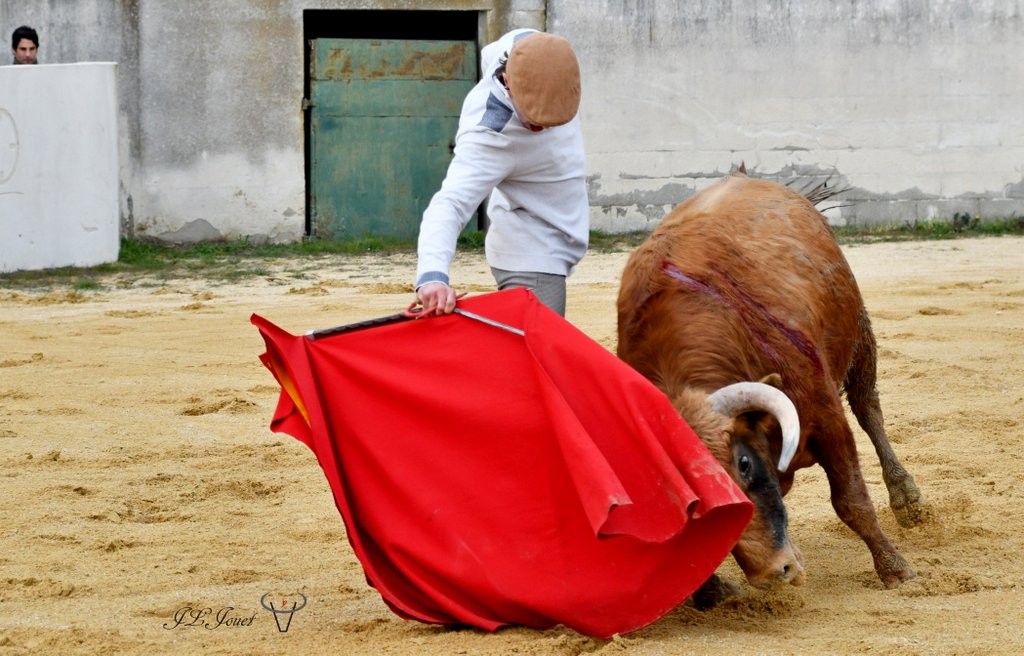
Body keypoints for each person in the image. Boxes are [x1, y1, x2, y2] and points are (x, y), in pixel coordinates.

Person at [412, 29, 588, 318]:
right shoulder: (490, 134)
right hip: (532, 250)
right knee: (537, 357)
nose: (544, 128)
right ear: (507, 81)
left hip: (559, 234)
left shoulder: (535, 49)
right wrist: (432, 275)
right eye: (534, 123)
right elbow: (451, 203)